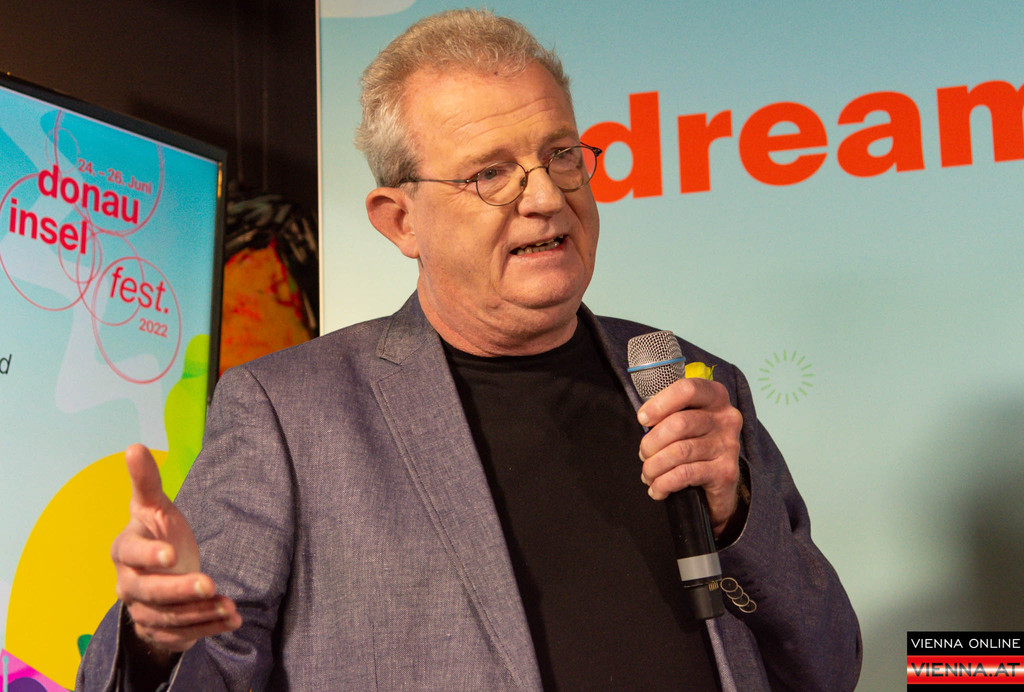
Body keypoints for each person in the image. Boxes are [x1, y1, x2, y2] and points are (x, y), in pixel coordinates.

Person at [77, 9, 860, 691]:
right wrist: (152, 641)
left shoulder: (687, 383)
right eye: (491, 174)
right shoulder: (289, 414)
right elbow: (212, 668)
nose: (546, 197)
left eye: (561, 155)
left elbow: (825, 666)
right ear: (399, 220)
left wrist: (734, 518)